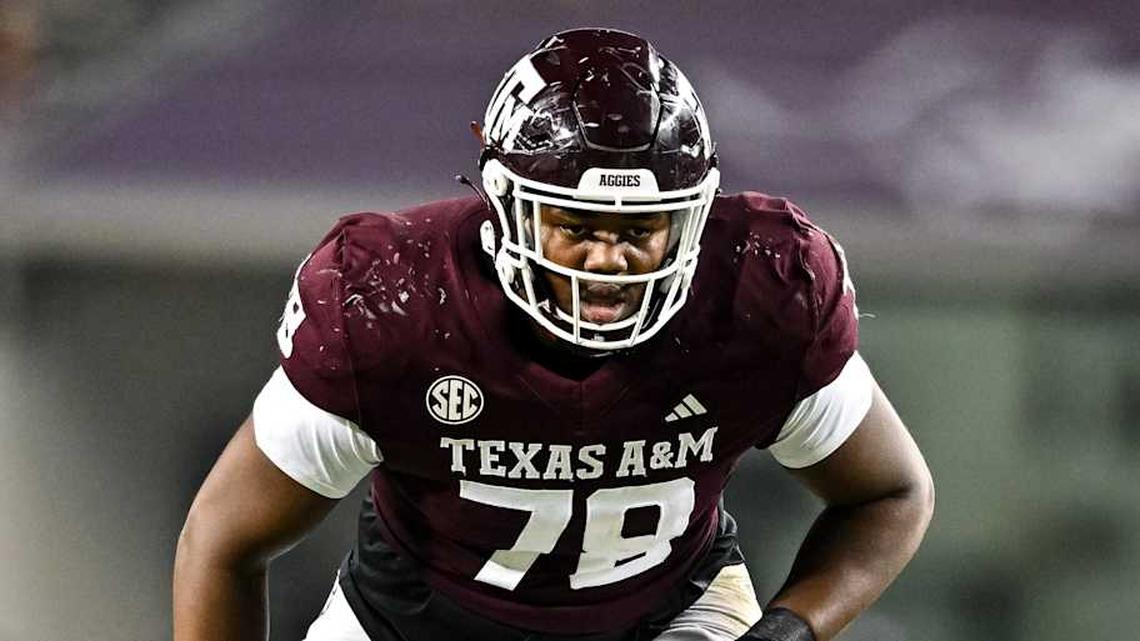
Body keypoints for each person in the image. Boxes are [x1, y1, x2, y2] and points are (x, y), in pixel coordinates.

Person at [173, 28, 933, 641]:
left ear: (691, 220)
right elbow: (223, 539)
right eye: (576, 225)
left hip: (670, 616)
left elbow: (890, 493)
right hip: (412, 624)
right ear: (507, 209)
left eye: (640, 230)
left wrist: (787, 631)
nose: (608, 260)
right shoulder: (393, 306)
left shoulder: (759, 298)